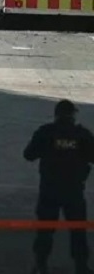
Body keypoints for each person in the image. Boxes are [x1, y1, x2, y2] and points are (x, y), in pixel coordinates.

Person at [24, 99, 94, 274]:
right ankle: (81, 266)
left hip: (49, 190)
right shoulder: (82, 135)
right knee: (78, 230)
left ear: (56, 115)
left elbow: (28, 155)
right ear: (72, 115)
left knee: (45, 230)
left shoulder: (46, 132)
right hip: (74, 191)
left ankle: (41, 264)